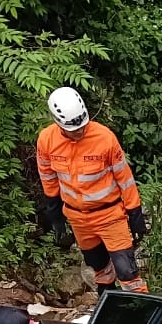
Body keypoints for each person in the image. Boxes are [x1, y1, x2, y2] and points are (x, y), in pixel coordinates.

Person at [37, 86, 149, 296]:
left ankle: (140, 304)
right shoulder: (46, 140)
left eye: (82, 126)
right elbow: (47, 175)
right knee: (98, 265)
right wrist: (53, 208)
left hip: (110, 214)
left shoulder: (104, 138)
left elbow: (124, 178)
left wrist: (135, 212)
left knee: (126, 268)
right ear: (58, 122)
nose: (79, 131)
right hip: (78, 217)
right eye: (73, 128)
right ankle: (107, 301)